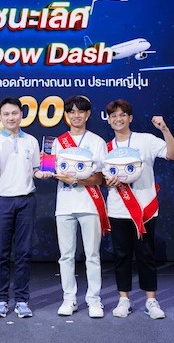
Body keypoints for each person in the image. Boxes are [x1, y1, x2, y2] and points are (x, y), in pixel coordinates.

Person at [103, 98, 174, 320]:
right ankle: (124, 300)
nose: (118, 119)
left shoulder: (145, 140)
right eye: (113, 116)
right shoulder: (106, 148)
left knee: (146, 255)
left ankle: (151, 301)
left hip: (144, 209)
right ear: (108, 120)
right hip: (118, 209)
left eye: (122, 115)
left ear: (130, 118)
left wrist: (164, 129)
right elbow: (100, 177)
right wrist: (106, 182)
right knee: (121, 256)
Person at [43, 95, 108, 318]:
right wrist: (46, 170)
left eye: (80, 111)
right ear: (66, 115)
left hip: (89, 204)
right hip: (64, 205)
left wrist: (77, 180)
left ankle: (94, 300)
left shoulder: (97, 142)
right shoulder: (58, 142)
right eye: (71, 112)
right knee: (66, 256)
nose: (76, 115)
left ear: (88, 114)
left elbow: (100, 178)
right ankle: (69, 299)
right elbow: (49, 169)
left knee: (92, 255)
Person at [0, 97, 41, 318]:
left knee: (23, 253)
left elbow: (36, 168)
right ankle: (1, 300)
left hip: (26, 200)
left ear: (21, 115)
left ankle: (22, 300)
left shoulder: (31, 141)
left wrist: (43, 173)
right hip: (1, 200)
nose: (10, 118)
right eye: (6, 114)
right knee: (1, 253)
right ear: (0, 117)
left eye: (14, 113)